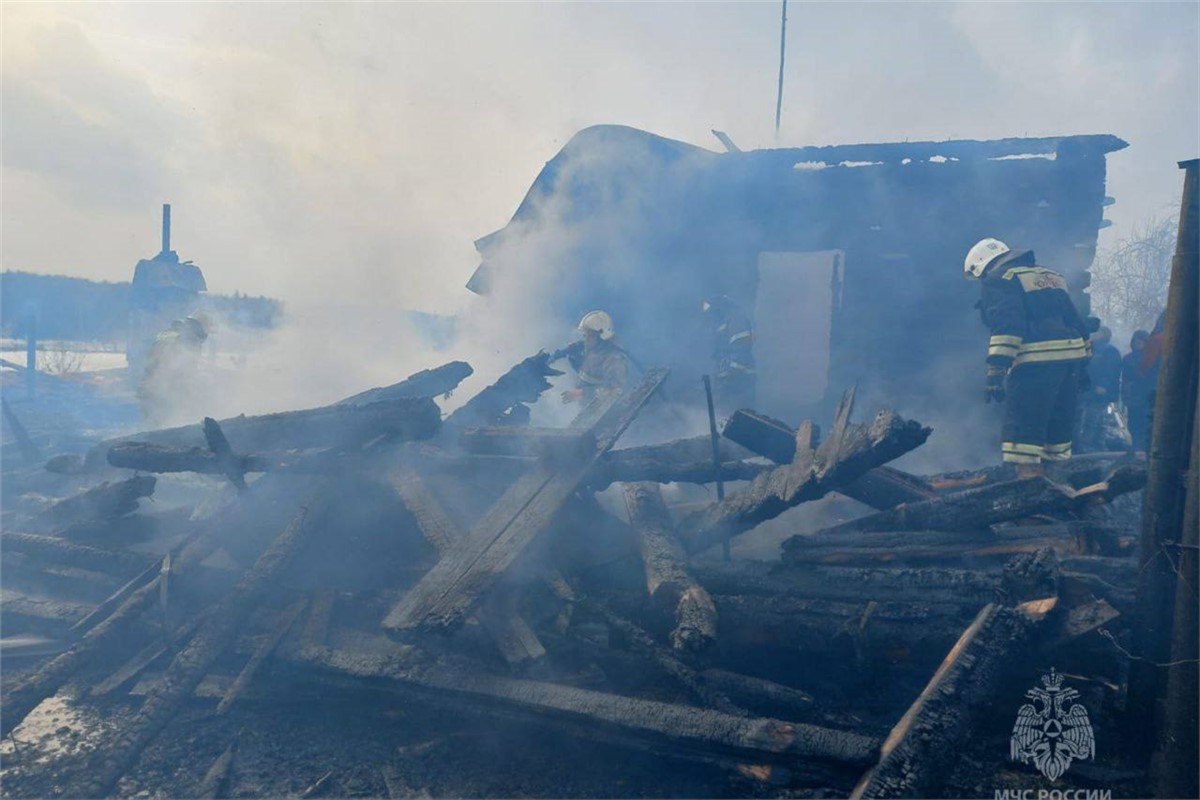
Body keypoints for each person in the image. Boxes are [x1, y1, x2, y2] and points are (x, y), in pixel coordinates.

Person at [964, 238, 1091, 476]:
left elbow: (1008, 327)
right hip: (1070, 360)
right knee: (1057, 427)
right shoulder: (1051, 276)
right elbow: (1076, 321)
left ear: (983, 267)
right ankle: (1057, 481)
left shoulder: (999, 280)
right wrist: (1083, 366)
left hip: (1036, 363)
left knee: (1024, 426)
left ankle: (1027, 485)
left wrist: (995, 373)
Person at [137, 314, 209, 424]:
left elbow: (153, 357)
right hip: (164, 388)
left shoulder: (169, 333)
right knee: (167, 424)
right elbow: (184, 368)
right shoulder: (188, 340)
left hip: (149, 385)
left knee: (153, 423)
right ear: (199, 328)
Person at [560, 310, 630, 405]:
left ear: (602, 336)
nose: (585, 339)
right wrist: (575, 359)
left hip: (607, 414)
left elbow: (614, 391)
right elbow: (589, 375)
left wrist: (581, 393)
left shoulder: (615, 359)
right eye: (585, 335)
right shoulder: (593, 350)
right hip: (587, 408)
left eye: (590, 335)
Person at [701, 294, 756, 415]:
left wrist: (731, 375)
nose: (710, 317)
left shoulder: (736, 320)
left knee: (735, 418)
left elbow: (742, 350)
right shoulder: (724, 323)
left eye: (712, 313)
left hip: (739, 382)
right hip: (731, 381)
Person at [1078, 326, 1122, 451]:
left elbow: (1111, 371)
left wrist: (1103, 386)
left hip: (1101, 390)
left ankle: (1086, 445)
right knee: (1099, 419)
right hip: (1090, 388)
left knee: (1092, 417)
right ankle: (1099, 445)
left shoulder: (1110, 351)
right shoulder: (1090, 348)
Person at [1121, 329, 1152, 451]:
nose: (1138, 343)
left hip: (1147, 396)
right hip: (1133, 396)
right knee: (1133, 424)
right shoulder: (1127, 358)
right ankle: (1136, 448)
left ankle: (1144, 449)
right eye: (1136, 340)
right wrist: (1124, 396)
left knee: (1146, 424)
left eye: (1141, 340)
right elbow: (1125, 379)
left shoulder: (1153, 358)